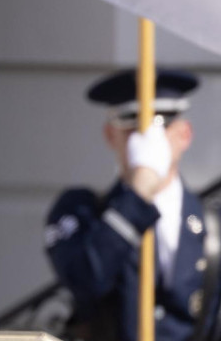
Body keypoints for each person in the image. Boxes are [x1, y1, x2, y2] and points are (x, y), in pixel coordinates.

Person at [45, 68, 220, 341]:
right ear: (110, 135)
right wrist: (139, 193)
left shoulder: (213, 223)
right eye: (131, 126)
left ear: (184, 135)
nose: (146, 138)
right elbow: (84, 280)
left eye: (159, 124)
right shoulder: (81, 210)